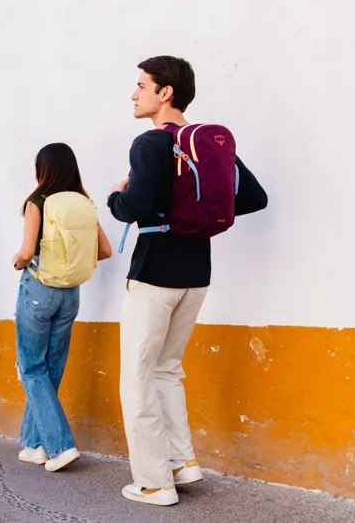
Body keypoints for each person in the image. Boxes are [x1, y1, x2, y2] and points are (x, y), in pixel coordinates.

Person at [108, 56, 268, 506]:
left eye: (142, 86)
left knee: (138, 376)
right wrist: (190, 215)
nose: (134, 94)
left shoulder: (150, 144)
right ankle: (182, 463)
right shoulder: (208, 145)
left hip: (156, 269)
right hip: (198, 270)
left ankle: (155, 482)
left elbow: (133, 208)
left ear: (166, 94)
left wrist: (116, 195)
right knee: (167, 368)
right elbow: (254, 197)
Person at [13, 143, 113, 471]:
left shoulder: (37, 202)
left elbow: (27, 252)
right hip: (71, 295)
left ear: (43, 170)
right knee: (50, 369)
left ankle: (60, 446)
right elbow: (105, 251)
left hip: (40, 289)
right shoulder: (84, 203)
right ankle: (35, 444)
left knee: (31, 368)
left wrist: (18, 261)